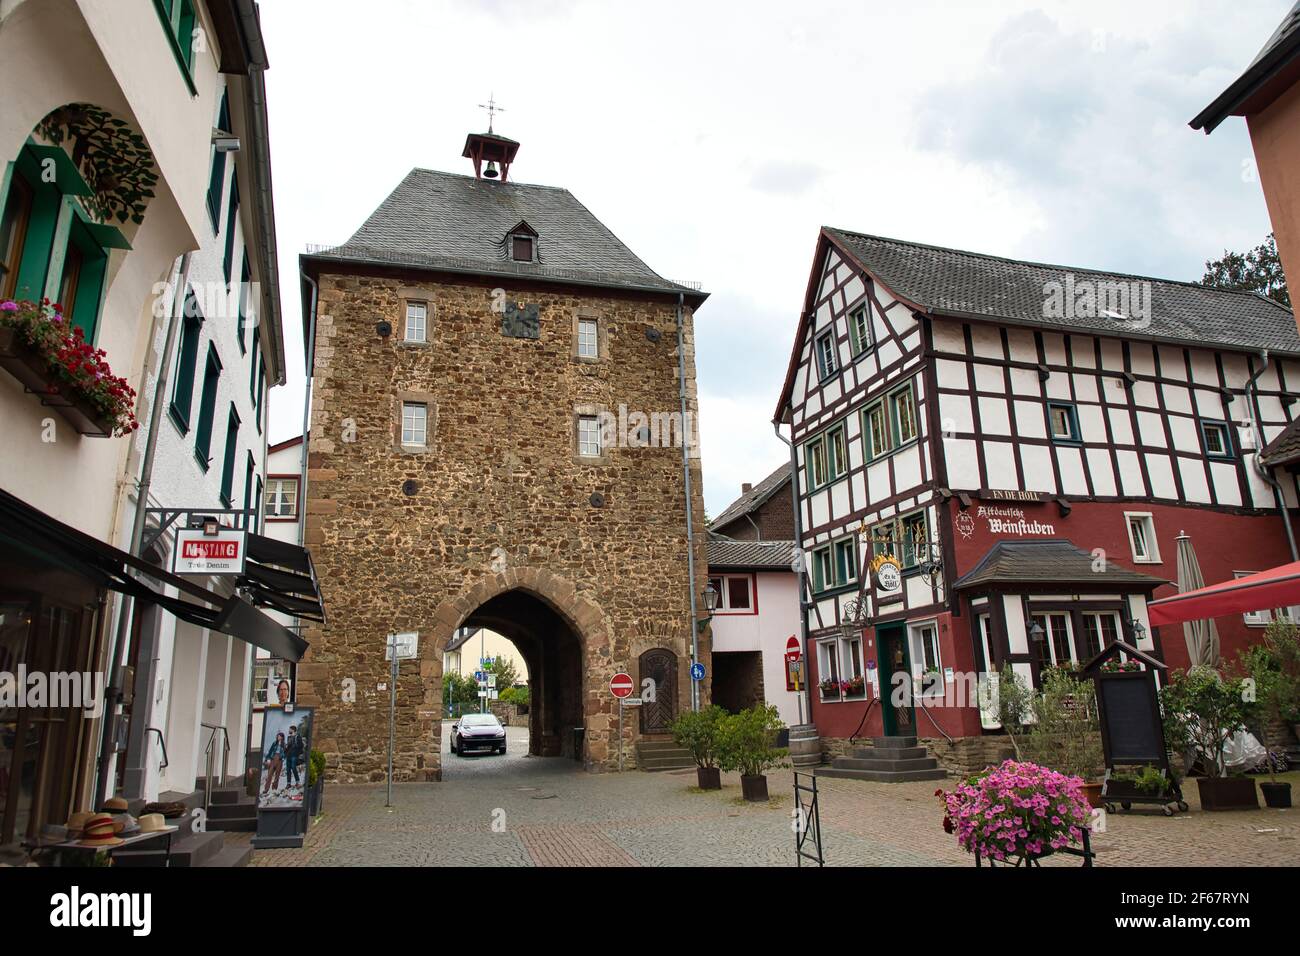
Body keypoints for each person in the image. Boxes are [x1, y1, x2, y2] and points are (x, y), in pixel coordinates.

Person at [285, 724, 305, 788]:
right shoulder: (289, 737)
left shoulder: (297, 736)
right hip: (288, 755)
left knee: (293, 768)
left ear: (293, 730)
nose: (289, 730)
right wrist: (286, 750)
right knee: (288, 770)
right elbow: (288, 747)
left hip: (294, 755)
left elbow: (301, 745)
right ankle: (288, 783)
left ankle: (297, 782)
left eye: (290, 729)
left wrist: (295, 745)